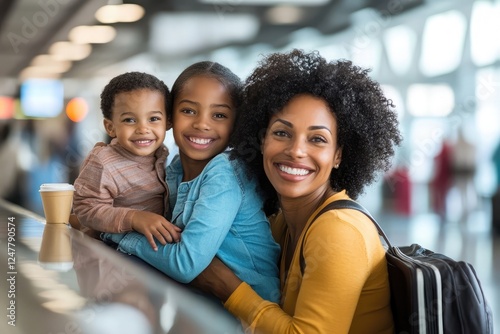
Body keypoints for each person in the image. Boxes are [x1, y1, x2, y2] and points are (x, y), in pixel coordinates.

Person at [191, 49, 402, 333]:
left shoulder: (339, 230)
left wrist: (227, 287)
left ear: (338, 155)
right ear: (262, 139)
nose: (296, 150)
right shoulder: (281, 222)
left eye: (317, 139)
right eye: (281, 133)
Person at [102, 61, 281, 303]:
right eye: (188, 111)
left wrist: (114, 232)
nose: (202, 124)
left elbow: (185, 264)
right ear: (168, 117)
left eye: (219, 115)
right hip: (203, 307)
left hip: (250, 317)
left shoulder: (225, 172)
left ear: (235, 124)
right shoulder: (174, 169)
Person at [73, 72, 181, 250]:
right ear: (110, 127)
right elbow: (85, 209)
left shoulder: (160, 154)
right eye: (129, 120)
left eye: (153, 119)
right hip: (110, 256)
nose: (143, 129)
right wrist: (134, 218)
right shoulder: (103, 161)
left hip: (147, 251)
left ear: (168, 122)